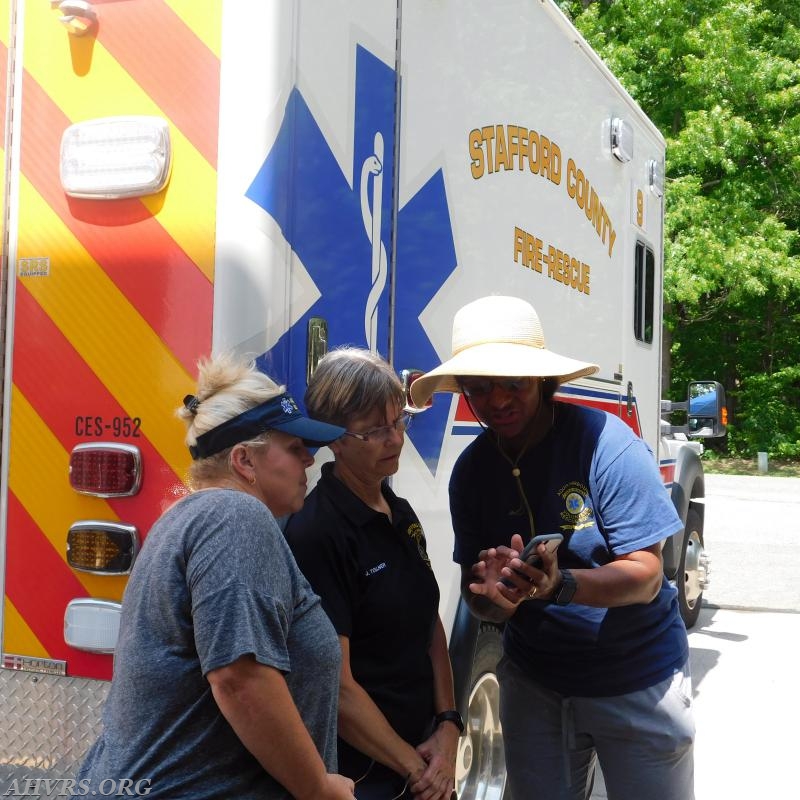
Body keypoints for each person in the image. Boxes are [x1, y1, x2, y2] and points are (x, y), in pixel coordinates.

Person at [410, 296, 695, 800]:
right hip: (535, 684)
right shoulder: (472, 471)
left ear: (543, 383)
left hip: (635, 679)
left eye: (513, 384)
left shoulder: (607, 445)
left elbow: (647, 575)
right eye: (479, 389)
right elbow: (478, 600)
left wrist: (560, 585)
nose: (497, 401)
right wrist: (493, 593)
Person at [77, 354, 355, 800]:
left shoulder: (192, 518)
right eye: (294, 446)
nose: (310, 458)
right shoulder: (235, 515)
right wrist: (318, 788)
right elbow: (240, 678)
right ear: (244, 460)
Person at [284, 347, 459, 800]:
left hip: (422, 753)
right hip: (364, 773)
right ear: (334, 439)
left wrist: (448, 725)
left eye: (398, 422)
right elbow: (337, 687)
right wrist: (416, 769)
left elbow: (429, 621)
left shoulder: (398, 511)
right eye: (375, 432)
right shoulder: (318, 532)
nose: (395, 439)